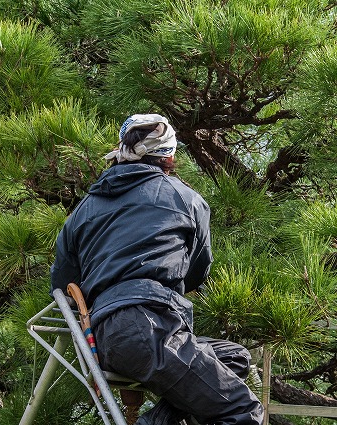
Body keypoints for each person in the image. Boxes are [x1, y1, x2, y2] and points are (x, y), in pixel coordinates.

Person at [50, 114, 264, 425]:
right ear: (170, 155)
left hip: (105, 340)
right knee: (242, 411)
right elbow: (197, 272)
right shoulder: (184, 198)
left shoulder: (84, 208)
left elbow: (62, 284)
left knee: (234, 356)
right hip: (151, 327)